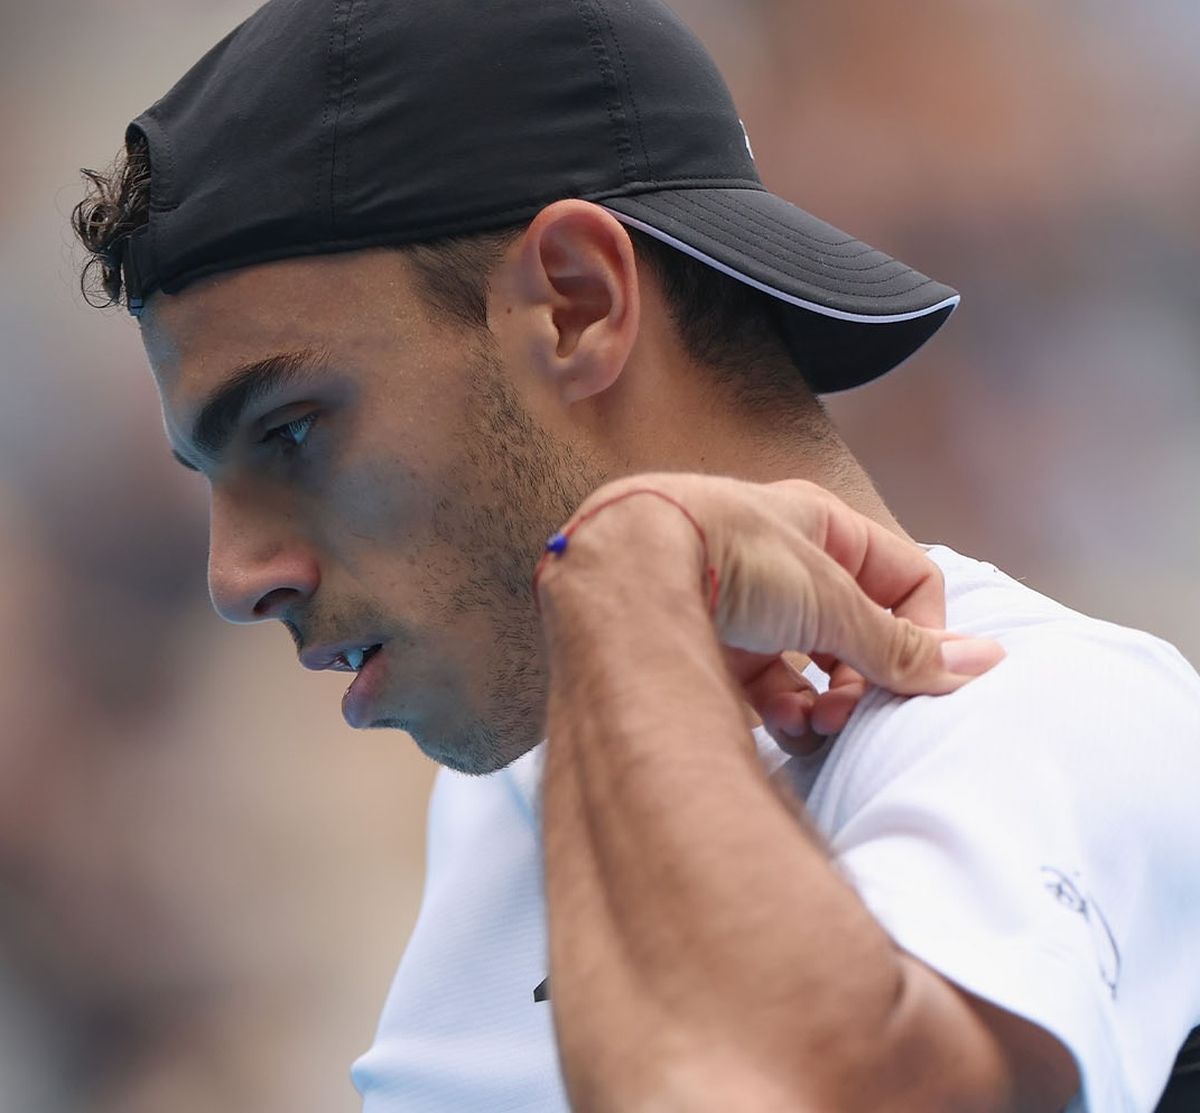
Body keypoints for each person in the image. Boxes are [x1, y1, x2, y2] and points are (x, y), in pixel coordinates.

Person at [72, 0, 1200, 1109]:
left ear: (574, 305)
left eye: (291, 430)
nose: (236, 576)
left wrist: (624, 573)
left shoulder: (1062, 708)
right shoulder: (529, 772)